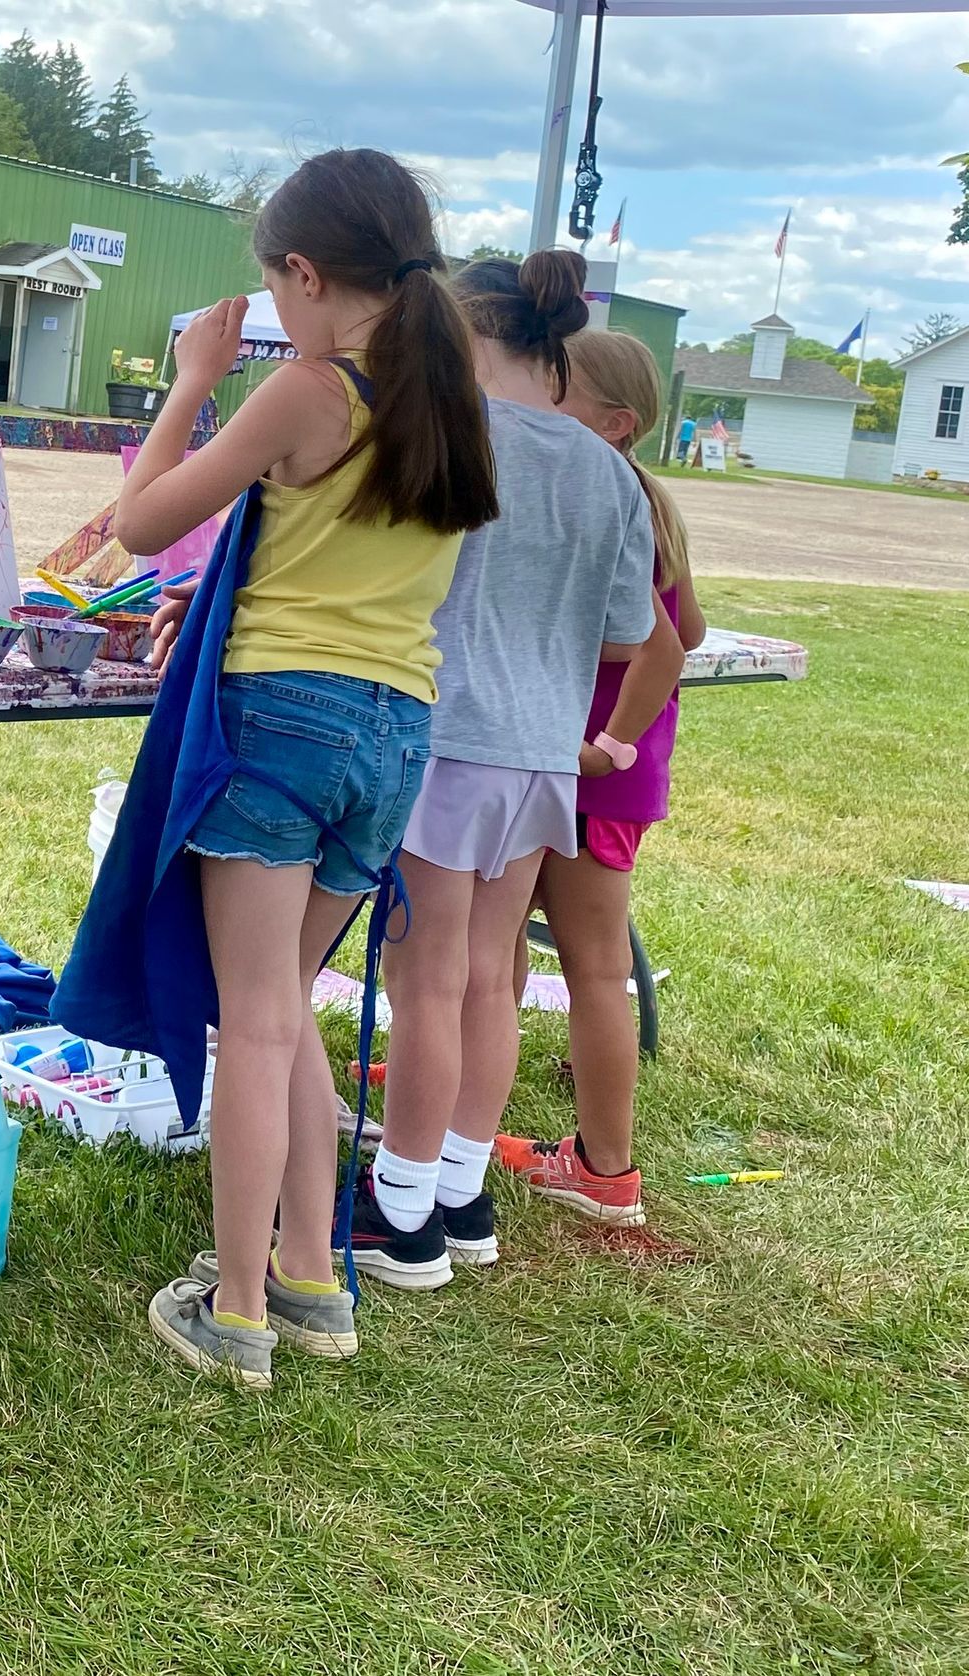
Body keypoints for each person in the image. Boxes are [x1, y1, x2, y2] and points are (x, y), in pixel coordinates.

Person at [55, 149, 500, 1386]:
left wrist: (194, 379)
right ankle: (311, 1269)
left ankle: (235, 1304)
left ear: (303, 274)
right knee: (284, 1003)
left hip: (282, 720)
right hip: (397, 728)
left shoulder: (308, 390)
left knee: (249, 1022)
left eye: (277, 284)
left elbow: (137, 523)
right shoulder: (451, 403)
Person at [358, 252, 681, 1291]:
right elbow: (636, 633)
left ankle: (399, 1210)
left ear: (464, 336)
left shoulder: (450, 434)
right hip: (544, 756)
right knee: (491, 974)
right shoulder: (607, 471)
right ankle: (459, 1190)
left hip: (447, 739)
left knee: (429, 979)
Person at [498, 328, 706, 1225]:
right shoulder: (649, 498)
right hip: (587, 766)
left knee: (590, 967)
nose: (536, 400)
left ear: (615, 422)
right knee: (494, 934)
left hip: (587, 768)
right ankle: (470, 1064)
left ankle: (603, 1169)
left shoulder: (598, 490)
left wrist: (609, 742)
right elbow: (692, 624)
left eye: (559, 388)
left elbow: (666, 648)